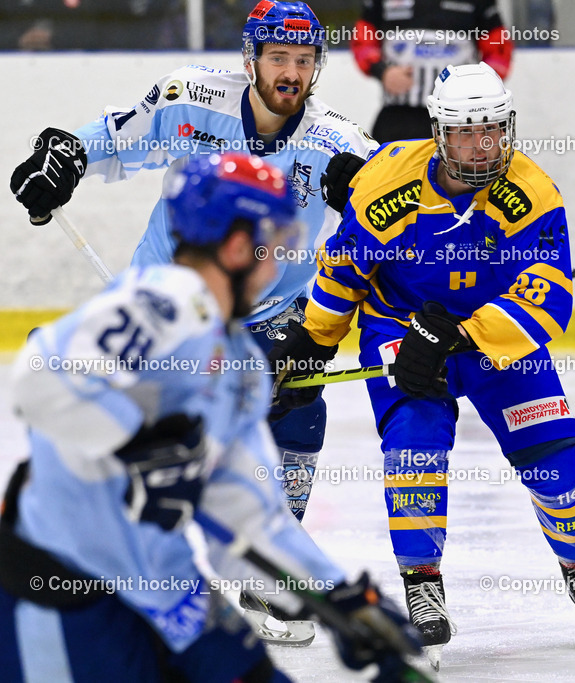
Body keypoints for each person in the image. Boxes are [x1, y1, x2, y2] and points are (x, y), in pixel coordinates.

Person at [0, 153, 420, 683]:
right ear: (239, 246)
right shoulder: (159, 303)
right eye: (276, 242)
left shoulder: (241, 366)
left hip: (171, 594)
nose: (282, 261)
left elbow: (249, 518)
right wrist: (137, 441)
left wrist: (342, 597)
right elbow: (41, 375)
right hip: (66, 595)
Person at [269, 62, 575, 669]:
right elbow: (345, 269)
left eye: (492, 131)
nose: (482, 145)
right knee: (413, 450)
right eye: (466, 132)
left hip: (494, 339)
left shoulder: (534, 193)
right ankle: (422, 581)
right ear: (439, 132)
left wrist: (461, 334)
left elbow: (548, 295)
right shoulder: (387, 182)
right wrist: (314, 341)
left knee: (556, 463)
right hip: (402, 330)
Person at [9, 0, 378, 525]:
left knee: (296, 405)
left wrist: (373, 203)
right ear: (249, 58)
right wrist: (65, 160)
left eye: (304, 59)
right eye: (278, 57)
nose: (292, 73)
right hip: (168, 292)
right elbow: (116, 140)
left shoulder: (338, 143)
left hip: (272, 309)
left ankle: (274, 542)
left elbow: (397, 212)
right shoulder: (192, 96)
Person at [351, 0, 513, 143]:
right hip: (399, 115)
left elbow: (499, 49)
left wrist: (479, 89)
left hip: (459, 117)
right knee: (387, 174)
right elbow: (362, 39)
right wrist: (382, 71)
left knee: (459, 175)